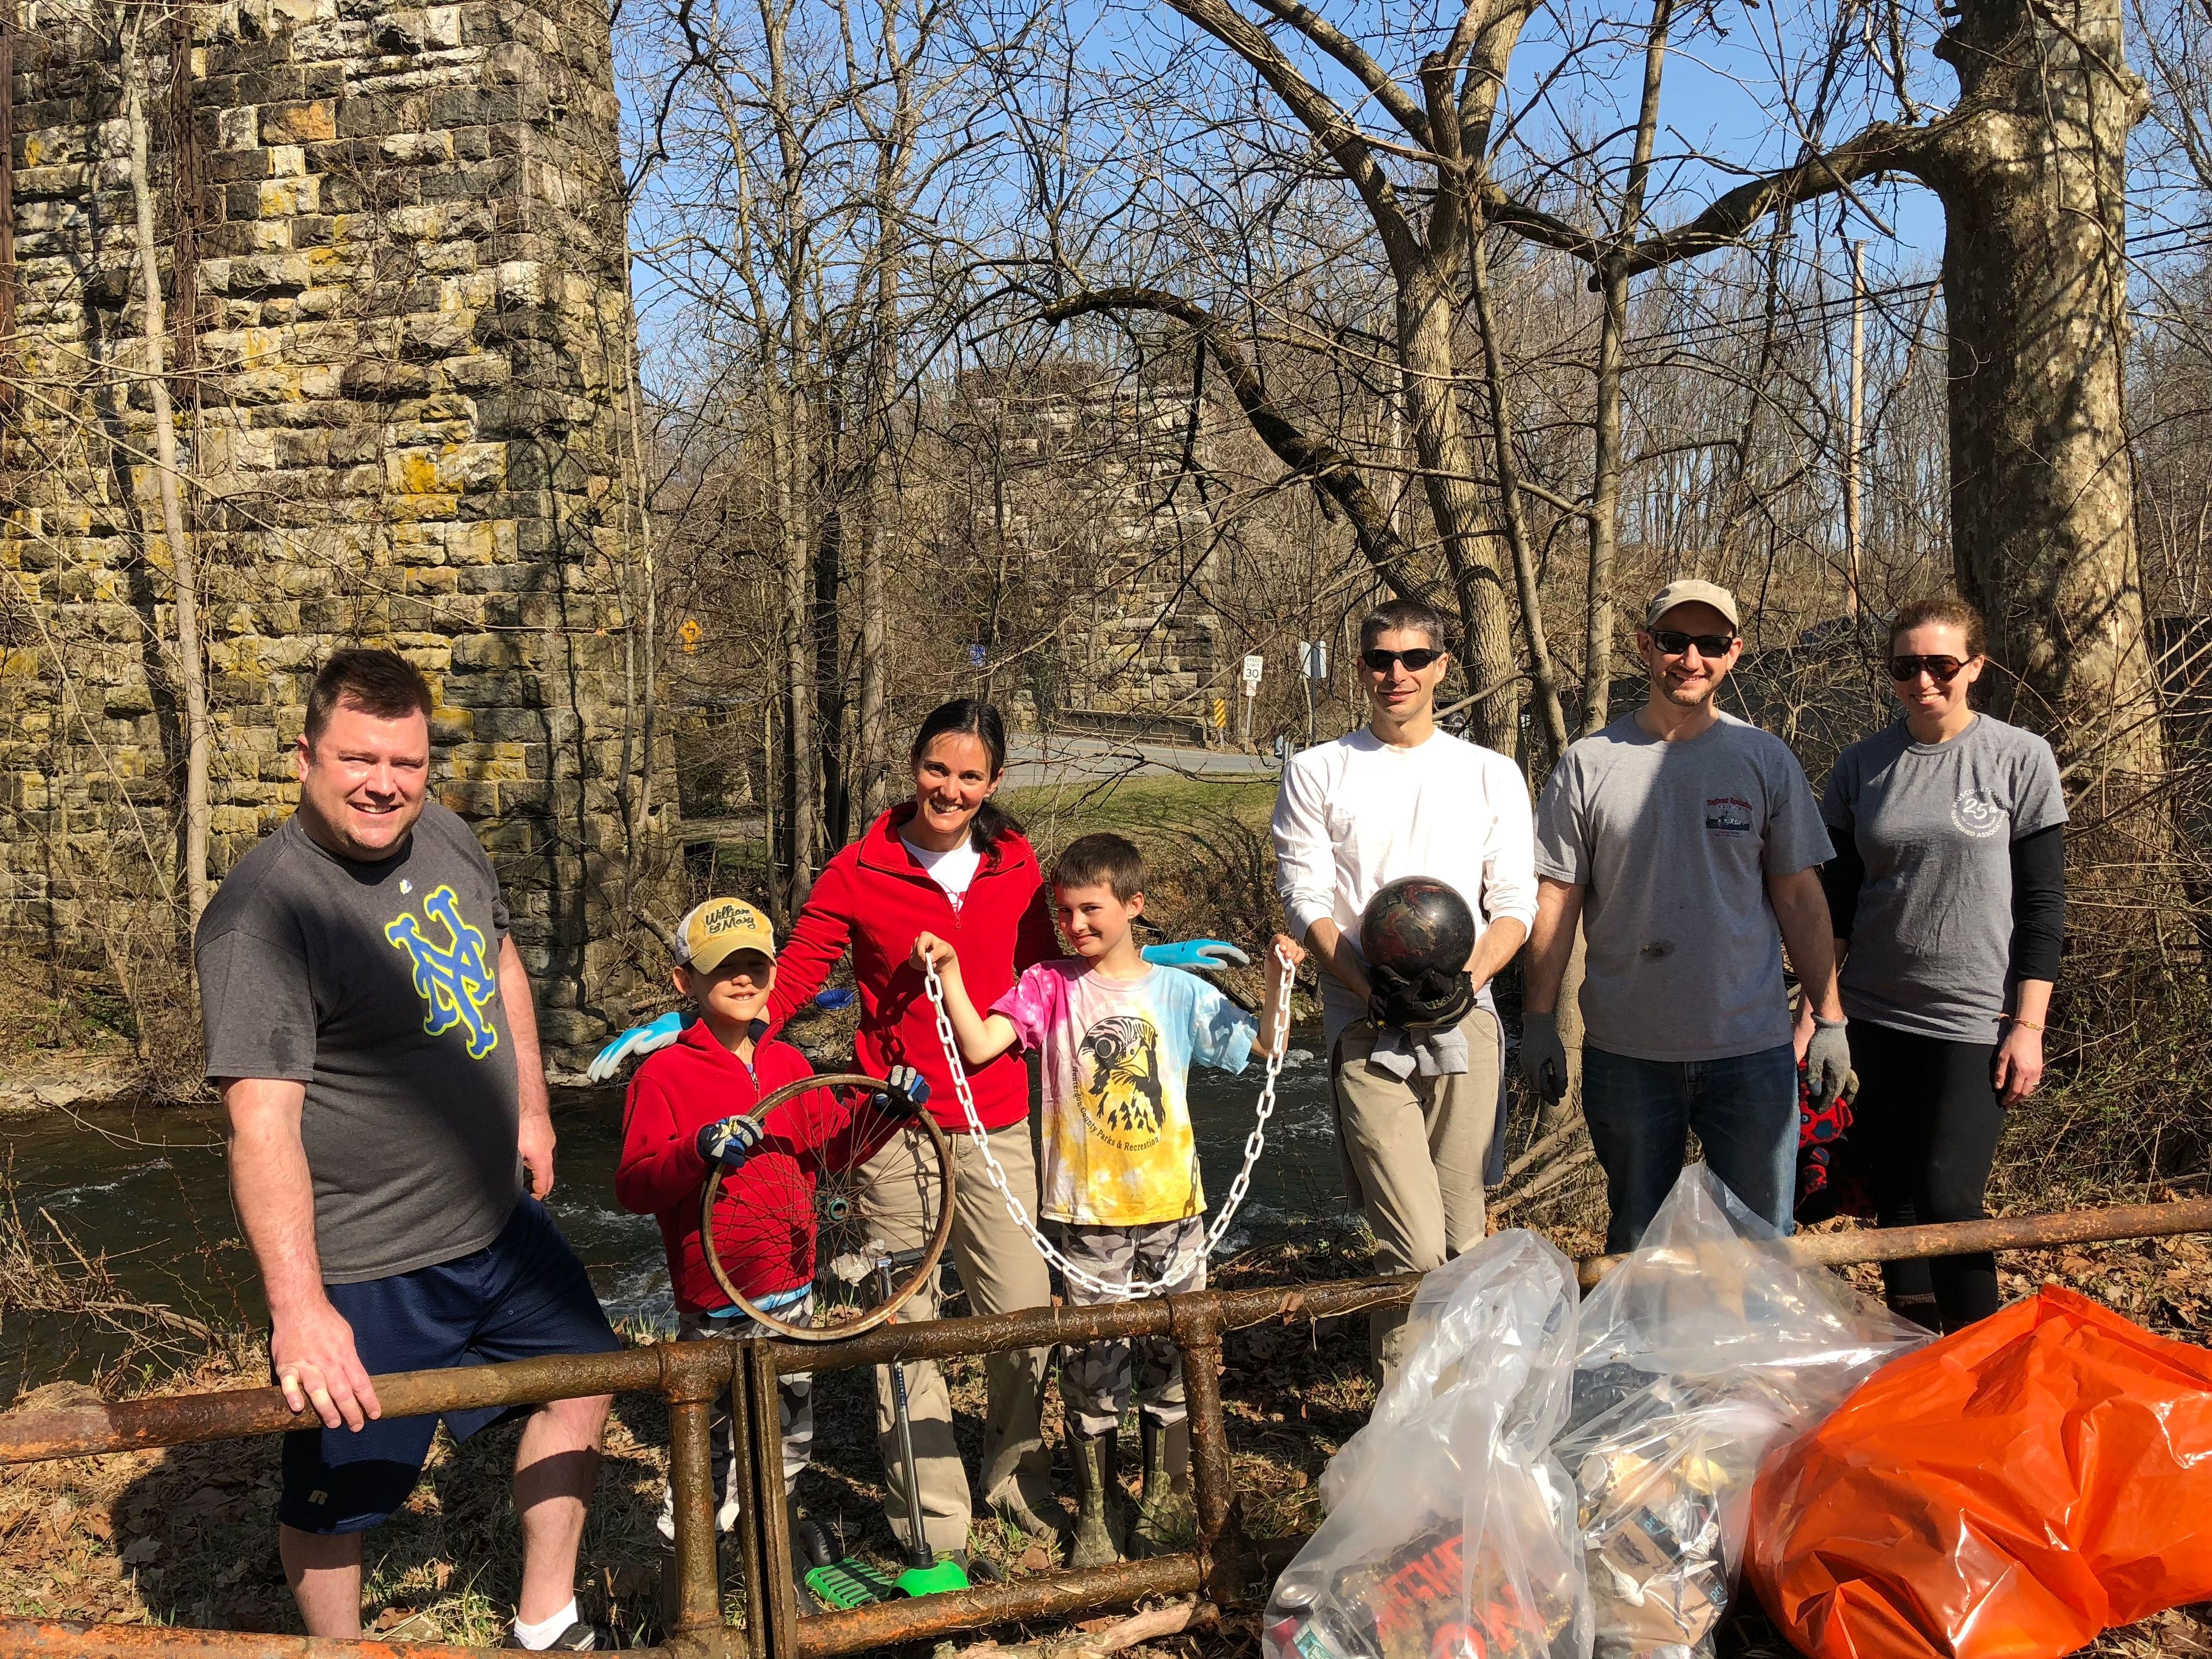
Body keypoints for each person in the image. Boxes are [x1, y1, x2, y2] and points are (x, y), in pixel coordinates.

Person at [194, 649, 617, 1651]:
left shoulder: (445, 835)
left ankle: (545, 1618)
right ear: (304, 756)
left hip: (498, 1226)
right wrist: (300, 1311)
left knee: (589, 1379)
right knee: (343, 1497)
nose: (384, 784)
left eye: (408, 762)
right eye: (358, 759)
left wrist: (531, 1107)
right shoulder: (265, 920)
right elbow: (262, 1125)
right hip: (372, 1265)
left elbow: (497, 957)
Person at [912, 834, 1301, 1568]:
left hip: (1173, 1211)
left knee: (1171, 1352)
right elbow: (979, 1045)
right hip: (1084, 1216)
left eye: (1091, 909)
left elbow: (1265, 1048)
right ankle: (1095, 1506)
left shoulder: (1179, 992)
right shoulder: (1048, 986)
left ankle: (1161, 1493)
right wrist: (955, 973)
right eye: (1065, 912)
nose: (1076, 925)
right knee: (1094, 1366)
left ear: (1133, 906)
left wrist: (1280, 982)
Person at [1520, 580, 1850, 1253]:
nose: (1691, 658)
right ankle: (1645, 1363)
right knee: (1640, 1240)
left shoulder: (1765, 761)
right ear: (1646, 648)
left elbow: (1800, 900)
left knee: (1762, 1242)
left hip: (1750, 1052)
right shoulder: (1589, 765)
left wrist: (1831, 1018)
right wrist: (1537, 1020)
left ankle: (1752, 1363)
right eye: (1674, 642)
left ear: (1734, 654)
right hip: (1628, 1052)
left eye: (1710, 644)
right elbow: (1556, 900)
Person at [1270, 596, 1537, 1378]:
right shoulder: (1318, 769)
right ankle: (1403, 1421)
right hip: (1365, 1026)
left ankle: (1475, 1410)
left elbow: (1515, 903)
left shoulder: (1489, 773)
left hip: (1468, 1021)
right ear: (1360, 667)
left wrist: (1468, 981)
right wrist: (1367, 987)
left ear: (1442, 667)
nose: (1398, 674)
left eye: (1415, 659)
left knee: (1461, 1236)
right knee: (1411, 1242)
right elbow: (1307, 901)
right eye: (1381, 658)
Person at [613, 896, 926, 1547]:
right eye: (723, 967)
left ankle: (772, 1545)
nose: (743, 979)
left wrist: (887, 1112)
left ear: (774, 974)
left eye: (756, 965)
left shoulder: (788, 1064)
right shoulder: (662, 1074)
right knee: (713, 1446)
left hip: (793, 1293)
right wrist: (695, 1150)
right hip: (717, 1299)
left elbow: (833, 1149)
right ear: (685, 982)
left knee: (788, 1437)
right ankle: (694, 1565)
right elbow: (635, 1187)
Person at [1812, 596, 2065, 1331]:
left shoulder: (2019, 759)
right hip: (1873, 1013)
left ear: (1975, 667)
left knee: (1951, 1196)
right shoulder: (1863, 766)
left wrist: (2029, 1025)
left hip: (1972, 1018)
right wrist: (1819, 1014)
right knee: (1893, 1194)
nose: (1922, 681)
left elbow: (2044, 906)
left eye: (1941, 665)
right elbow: (1834, 906)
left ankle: (1980, 1360)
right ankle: (1919, 1362)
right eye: (1905, 667)